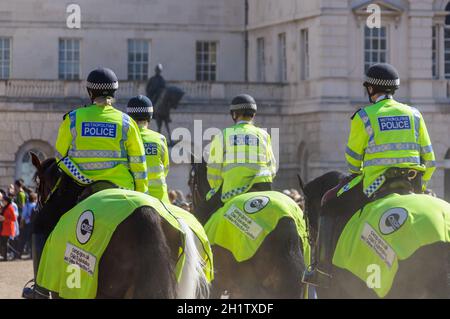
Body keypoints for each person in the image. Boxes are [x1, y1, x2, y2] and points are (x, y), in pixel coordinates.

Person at [322, 63, 436, 216]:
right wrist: (420, 187)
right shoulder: (414, 114)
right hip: (411, 183)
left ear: (371, 89)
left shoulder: (363, 116)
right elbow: (430, 160)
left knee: (331, 203)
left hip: (374, 187)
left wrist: (356, 172)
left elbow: (353, 160)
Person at [200, 94, 277, 217]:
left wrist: (216, 187)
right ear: (253, 114)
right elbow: (272, 167)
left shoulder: (223, 135)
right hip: (263, 189)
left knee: (205, 217)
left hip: (233, 192)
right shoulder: (264, 135)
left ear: (234, 114)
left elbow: (213, 170)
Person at [126, 95, 170, 202]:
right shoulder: (160, 139)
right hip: (160, 200)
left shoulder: (125, 138)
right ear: (150, 117)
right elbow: (165, 169)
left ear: (129, 117)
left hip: (133, 199)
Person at [0, 191, 17, 261]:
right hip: (4, 228)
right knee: (4, 243)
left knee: (5, 243)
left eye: (3, 200)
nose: (2, 202)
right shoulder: (5, 207)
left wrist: (4, 219)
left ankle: (6, 257)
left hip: (8, 228)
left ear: (6, 201)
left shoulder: (10, 207)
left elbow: (14, 218)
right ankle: (5, 256)